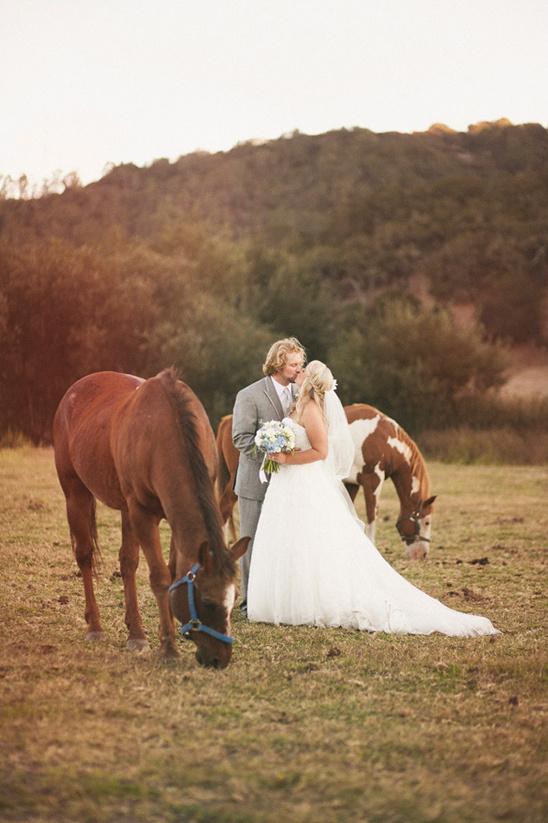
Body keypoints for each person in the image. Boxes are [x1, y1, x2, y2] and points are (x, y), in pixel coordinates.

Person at [247, 361, 500, 637]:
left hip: (304, 482)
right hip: (286, 484)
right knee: (288, 538)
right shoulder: (297, 405)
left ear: (310, 380)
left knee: (311, 540)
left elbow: (321, 452)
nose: (299, 371)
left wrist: (286, 457)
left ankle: (311, 602)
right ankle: (282, 600)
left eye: (303, 370)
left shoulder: (310, 409)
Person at [232, 337, 306, 616]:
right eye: (293, 364)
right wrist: (271, 453)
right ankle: (248, 602)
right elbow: (240, 438)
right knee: (250, 544)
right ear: (278, 364)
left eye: (301, 364)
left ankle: (278, 599)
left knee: (284, 542)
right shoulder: (249, 395)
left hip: (291, 484)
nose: (299, 369)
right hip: (255, 483)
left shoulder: (302, 393)